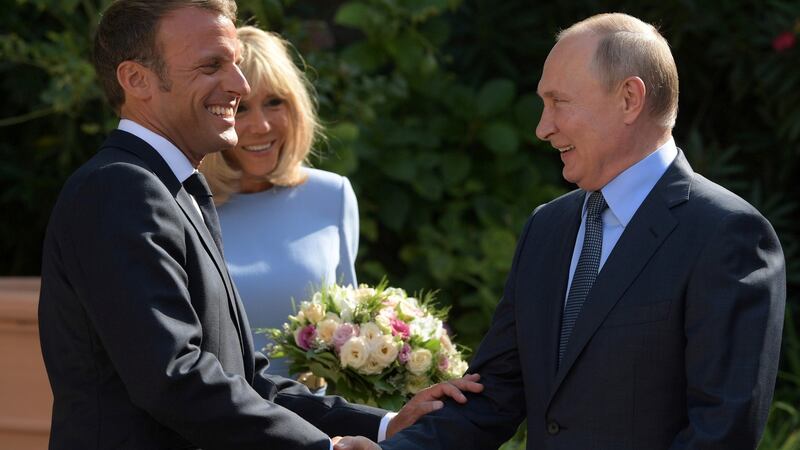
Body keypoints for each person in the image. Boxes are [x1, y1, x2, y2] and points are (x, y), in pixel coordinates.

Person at [37, 1, 481, 449]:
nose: (238, 84)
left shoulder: (172, 189)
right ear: (137, 80)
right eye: (212, 65)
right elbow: (173, 377)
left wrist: (384, 425)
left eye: (234, 64)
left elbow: (246, 381)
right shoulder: (119, 189)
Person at [336, 12, 786, 450]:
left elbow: (721, 431)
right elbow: (494, 393)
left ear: (629, 98)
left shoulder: (726, 234)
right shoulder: (547, 228)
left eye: (559, 102)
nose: (542, 128)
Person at [200, 26, 358, 378]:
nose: (261, 125)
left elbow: (352, 337)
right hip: (219, 424)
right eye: (240, 108)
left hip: (320, 428)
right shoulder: (186, 205)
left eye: (275, 102)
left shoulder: (333, 196)